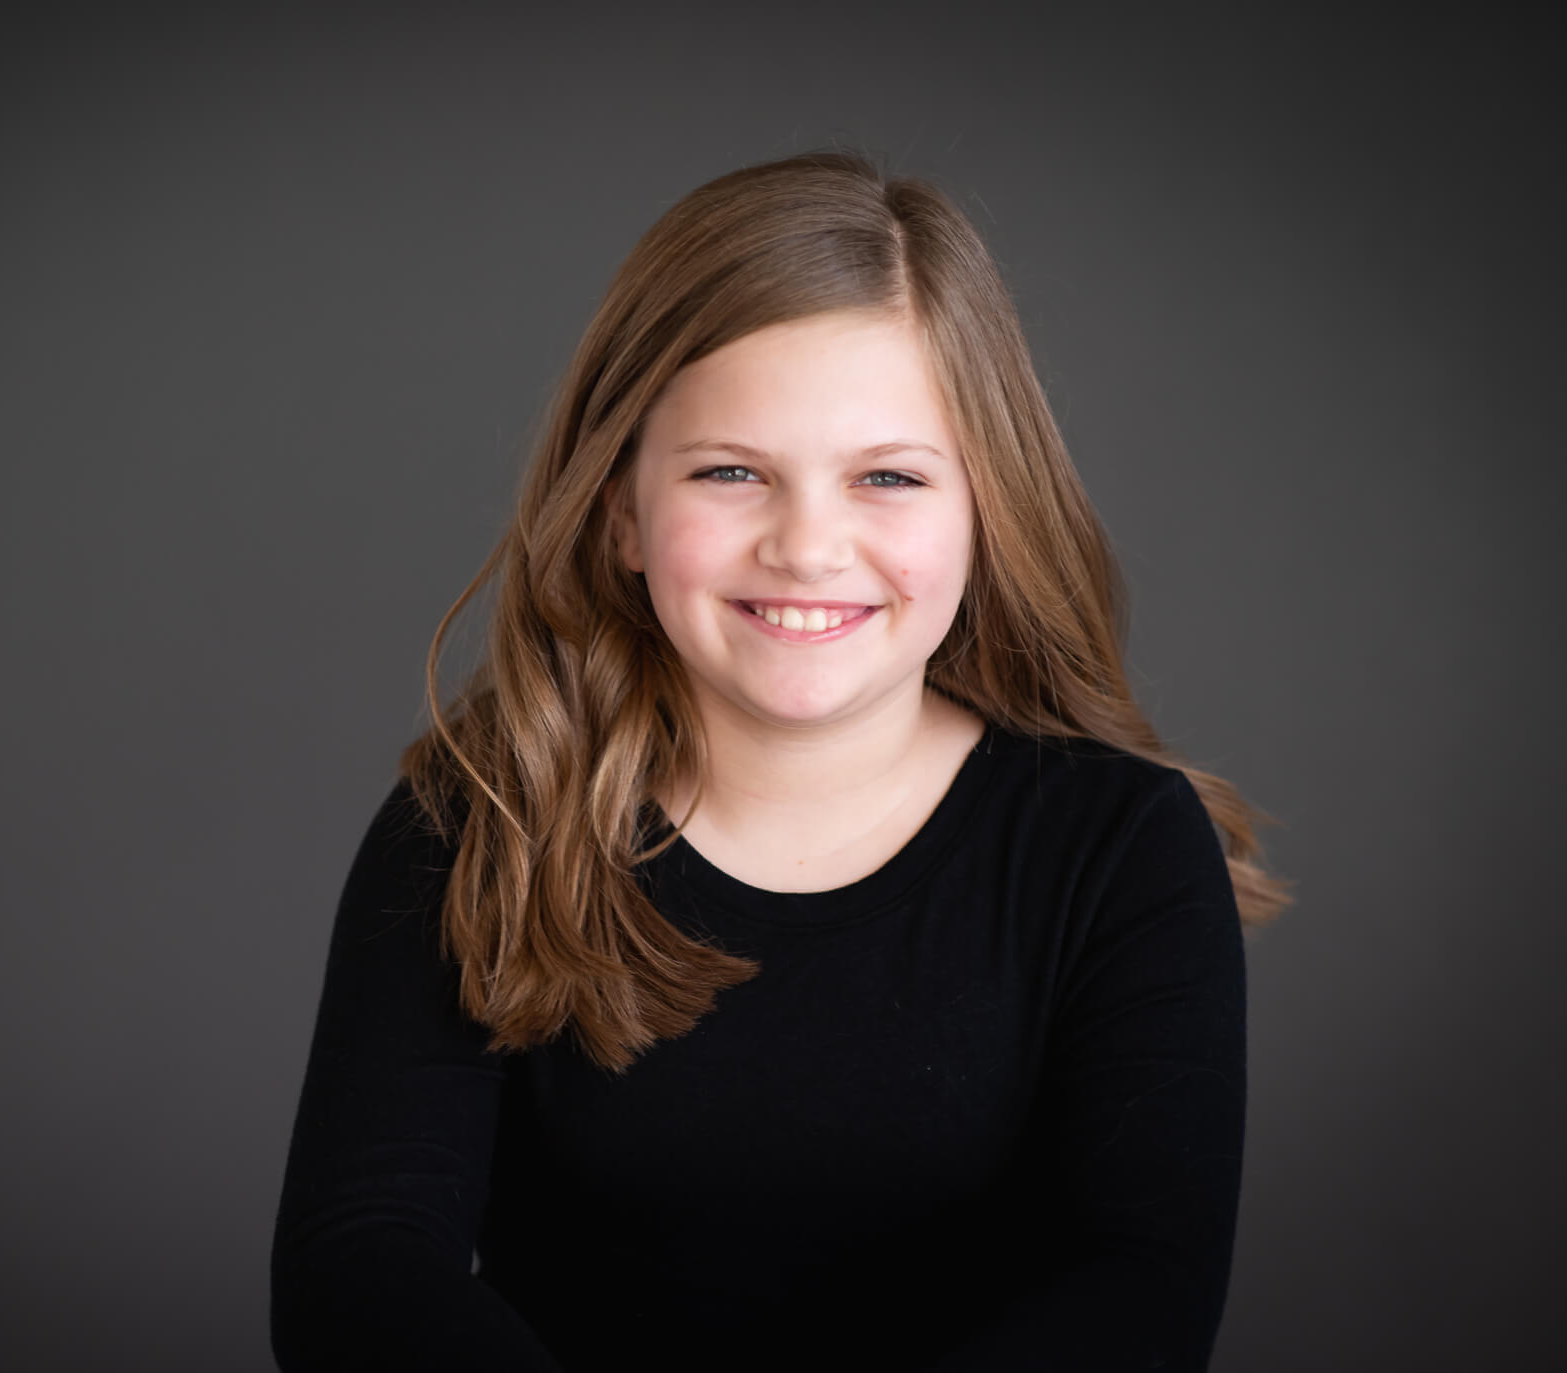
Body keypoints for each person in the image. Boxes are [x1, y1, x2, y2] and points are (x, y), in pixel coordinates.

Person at [269, 150, 1289, 1372]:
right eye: (732, 471)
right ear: (621, 513)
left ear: (988, 512)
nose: (809, 545)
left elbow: (1141, 1290)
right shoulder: (482, 819)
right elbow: (361, 1262)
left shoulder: (1119, 846)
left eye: (889, 478)